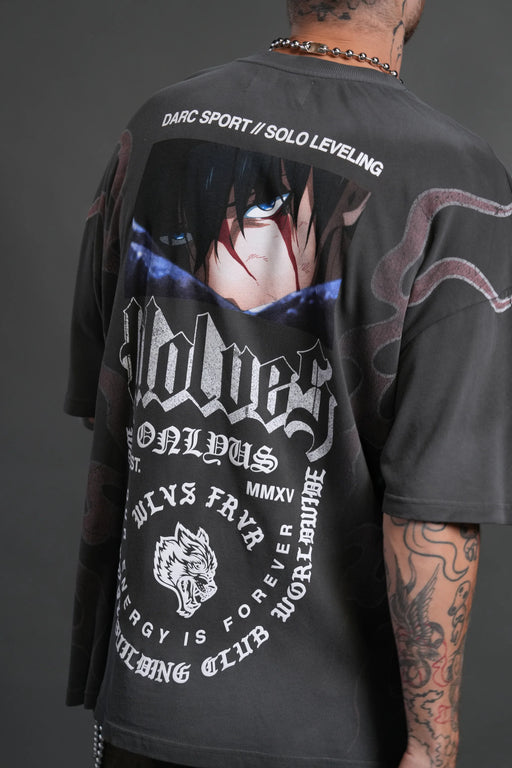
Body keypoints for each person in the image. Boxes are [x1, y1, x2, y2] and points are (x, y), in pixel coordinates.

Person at [64, 2, 512, 767]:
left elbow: (109, 396)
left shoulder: (159, 126)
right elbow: (432, 509)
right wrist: (434, 743)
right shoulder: (457, 178)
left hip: (146, 699)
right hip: (325, 733)